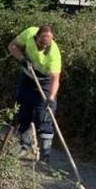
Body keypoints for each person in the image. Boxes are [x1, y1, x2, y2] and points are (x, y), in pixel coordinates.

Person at [8, 24, 62, 161]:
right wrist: (22, 59)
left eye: (47, 44)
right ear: (36, 37)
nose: (43, 46)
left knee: (44, 113)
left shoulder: (54, 53)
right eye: (41, 43)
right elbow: (12, 46)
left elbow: (56, 79)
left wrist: (51, 97)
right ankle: (25, 147)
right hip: (28, 76)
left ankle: (45, 153)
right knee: (22, 110)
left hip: (45, 81)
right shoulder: (29, 33)